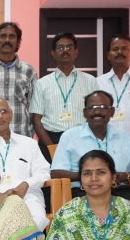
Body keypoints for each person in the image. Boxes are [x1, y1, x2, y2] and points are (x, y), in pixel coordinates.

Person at [51, 90, 130, 230]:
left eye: (103, 107)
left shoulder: (124, 137)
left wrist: (126, 176)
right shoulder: (70, 136)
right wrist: (87, 177)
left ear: (112, 111)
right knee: (88, 217)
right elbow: (56, 172)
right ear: (85, 112)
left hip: (118, 190)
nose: (97, 112)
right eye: (92, 107)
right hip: (84, 191)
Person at [0, 98, 50, 231]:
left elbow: (44, 172)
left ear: (11, 114)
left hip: (26, 196)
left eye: (3, 111)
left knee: (38, 217)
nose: (0, 116)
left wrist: (26, 184)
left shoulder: (29, 143)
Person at [30, 32, 98, 161]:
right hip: (50, 139)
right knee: (53, 174)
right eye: (60, 47)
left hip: (82, 139)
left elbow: (95, 115)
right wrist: (51, 147)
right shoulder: (42, 84)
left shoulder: (90, 81)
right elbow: (36, 120)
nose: (65, 50)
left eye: (69, 47)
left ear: (76, 52)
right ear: (53, 54)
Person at [0, 22, 38, 137]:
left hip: (21, 136)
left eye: (12, 36)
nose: (7, 40)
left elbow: (35, 108)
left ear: (18, 42)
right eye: (3, 36)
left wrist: (30, 132)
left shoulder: (28, 71)